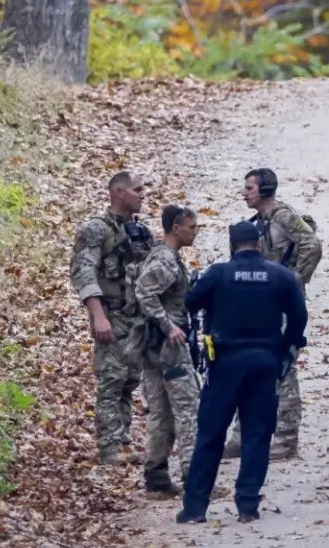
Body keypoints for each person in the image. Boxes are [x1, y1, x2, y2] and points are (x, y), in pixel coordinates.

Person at [177, 221, 308, 524]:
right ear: (259, 243)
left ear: (232, 245)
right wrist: (285, 348)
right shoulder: (281, 276)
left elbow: (190, 303)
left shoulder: (218, 274)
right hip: (265, 363)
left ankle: (195, 508)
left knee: (210, 435)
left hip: (225, 363)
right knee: (257, 435)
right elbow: (299, 317)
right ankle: (247, 505)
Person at [223, 167, 322, 461]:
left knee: (283, 368)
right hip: (258, 306)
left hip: (281, 308)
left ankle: (286, 439)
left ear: (265, 189)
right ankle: (241, 437)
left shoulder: (283, 217)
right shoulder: (256, 224)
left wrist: (294, 281)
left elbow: (312, 245)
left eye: (249, 188)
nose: (244, 193)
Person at [69, 171, 155, 465]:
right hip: (111, 315)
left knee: (129, 381)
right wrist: (98, 316)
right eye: (137, 190)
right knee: (112, 381)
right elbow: (83, 272)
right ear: (119, 193)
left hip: (136, 318)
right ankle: (109, 447)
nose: (142, 195)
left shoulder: (140, 231)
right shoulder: (96, 230)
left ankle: (123, 440)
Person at [135, 204, 202, 497]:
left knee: (160, 412)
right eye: (191, 226)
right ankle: (195, 479)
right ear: (176, 228)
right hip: (169, 346)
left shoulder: (164, 256)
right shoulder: (165, 259)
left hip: (152, 346)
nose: (195, 232)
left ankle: (157, 478)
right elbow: (144, 292)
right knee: (189, 408)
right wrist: (169, 326)